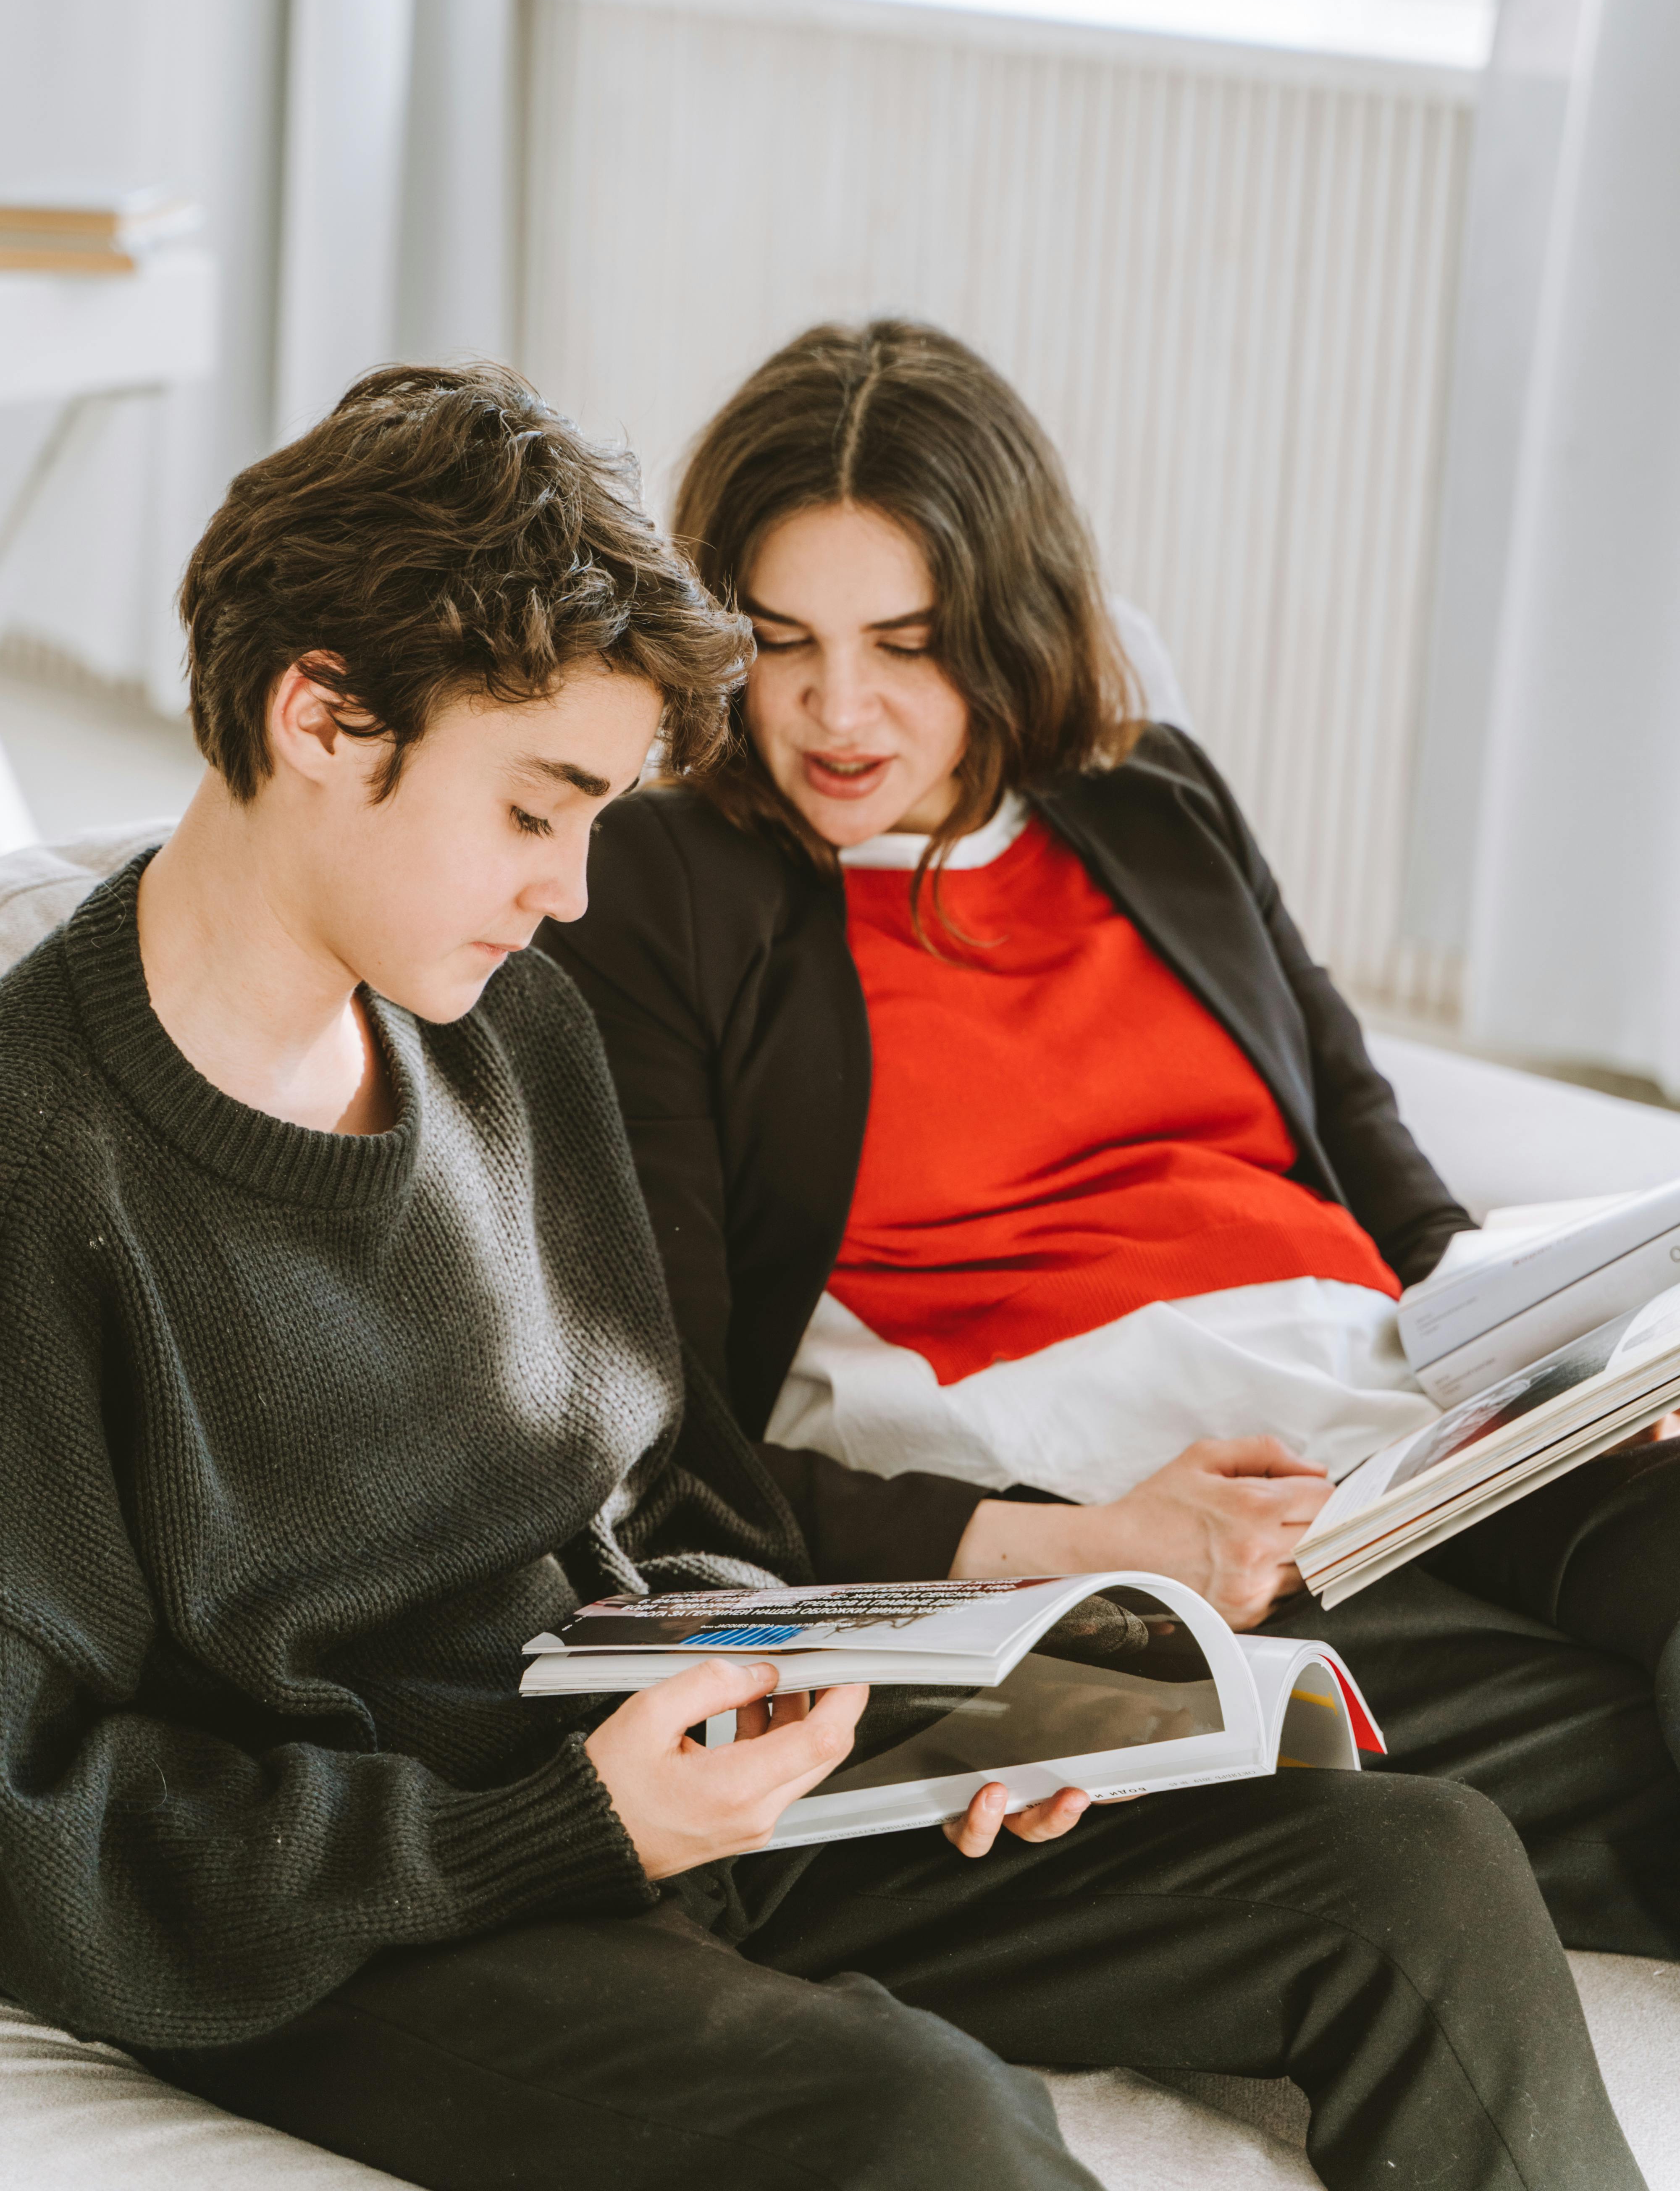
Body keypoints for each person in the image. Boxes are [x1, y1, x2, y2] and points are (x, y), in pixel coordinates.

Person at [0, 359, 1640, 2191]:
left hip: (675, 1773)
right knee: (922, 2128)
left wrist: (971, 1706)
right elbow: (39, 1808)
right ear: (323, 717)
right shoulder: (39, 1162)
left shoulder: (506, 1031)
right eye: (536, 812)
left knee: (1413, 1874)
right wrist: (564, 1827)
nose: (571, 893)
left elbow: (658, 1497)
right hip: (398, 1913)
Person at [542, 317, 1680, 1965]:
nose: (835, 709)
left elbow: (1396, 1193)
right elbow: (686, 1445)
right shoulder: (663, 892)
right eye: (781, 640)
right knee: (1581, 1764)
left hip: (1417, 1433)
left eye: (906, 644)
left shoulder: (1152, 793)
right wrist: (1078, 1561)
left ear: (1004, 633)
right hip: (1184, 1522)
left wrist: (1580, 1369)